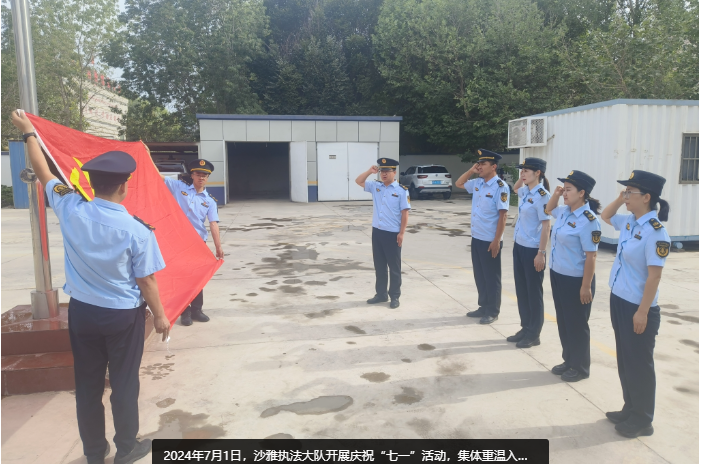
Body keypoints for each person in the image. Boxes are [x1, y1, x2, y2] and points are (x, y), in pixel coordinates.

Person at [11, 110, 170, 464]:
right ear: (124, 186)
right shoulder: (138, 231)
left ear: (92, 184)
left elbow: (43, 172)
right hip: (122, 318)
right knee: (124, 384)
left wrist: (29, 133)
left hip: (82, 314)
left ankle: (94, 454)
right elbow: (146, 280)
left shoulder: (69, 206)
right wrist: (160, 316)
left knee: (87, 386)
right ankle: (126, 449)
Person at [601, 170, 671, 438]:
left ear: (647, 197)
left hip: (639, 307)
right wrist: (621, 198)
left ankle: (643, 419)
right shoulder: (630, 222)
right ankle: (630, 408)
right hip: (619, 298)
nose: (626, 196)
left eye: (631, 192)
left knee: (639, 363)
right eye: (626, 191)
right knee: (625, 359)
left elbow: (655, 276)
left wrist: (642, 311)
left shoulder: (656, 232)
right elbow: (606, 216)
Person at [544, 170, 600, 382]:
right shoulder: (564, 212)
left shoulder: (589, 220)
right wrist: (556, 194)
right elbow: (548, 209)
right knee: (564, 322)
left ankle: (580, 367)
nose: (565, 193)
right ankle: (568, 360)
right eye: (564, 190)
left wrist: (586, 286)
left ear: (582, 193)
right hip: (558, 274)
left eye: (569, 190)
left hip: (577, 280)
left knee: (577, 324)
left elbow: (591, 256)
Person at [154, 159, 223, 326]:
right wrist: (147, 155)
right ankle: (184, 311)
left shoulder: (210, 201)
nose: (201, 177)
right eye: (198, 174)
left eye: (204, 175)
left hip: (198, 243)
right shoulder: (179, 187)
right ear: (192, 175)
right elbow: (157, 176)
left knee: (197, 277)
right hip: (178, 242)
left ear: (208, 178)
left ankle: (197, 310)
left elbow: (213, 223)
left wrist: (218, 247)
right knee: (181, 277)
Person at [456, 149, 510, 325]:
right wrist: (471, 170)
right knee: (480, 275)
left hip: (490, 239)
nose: (479, 166)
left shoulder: (500, 187)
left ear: (493, 166)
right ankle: (483, 306)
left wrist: (497, 240)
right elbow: (459, 183)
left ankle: (492, 311)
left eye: (483, 164)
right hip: (477, 236)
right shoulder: (478, 183)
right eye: (478, 163)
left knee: (491, 277)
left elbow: (503, 216)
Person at [355, 157, 410, 309]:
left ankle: (395, 296)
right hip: (377, 232)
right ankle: (381, 294)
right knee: (379, 266)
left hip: (392, 234)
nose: (384, 174)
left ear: (394, 172)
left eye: (387, 171)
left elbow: (405, 213)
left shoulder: (401, 190)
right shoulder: (376, 186)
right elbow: (358, 181)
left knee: (394, 267)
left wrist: (401, 233)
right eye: (382, 171)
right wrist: (369, 171)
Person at [508, 158, 551, 348]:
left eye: (526, 171)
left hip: (533, 249)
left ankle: (534, 333)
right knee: (522, 290)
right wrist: (523, 177)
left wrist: (541, 253)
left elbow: (546, 226)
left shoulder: (543, 196)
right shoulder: (526, 190)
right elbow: (515, 188)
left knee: (533, 292)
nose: (522, 174)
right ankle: (525, 328)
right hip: (519, 246)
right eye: (522, 170)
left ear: (538, 173)